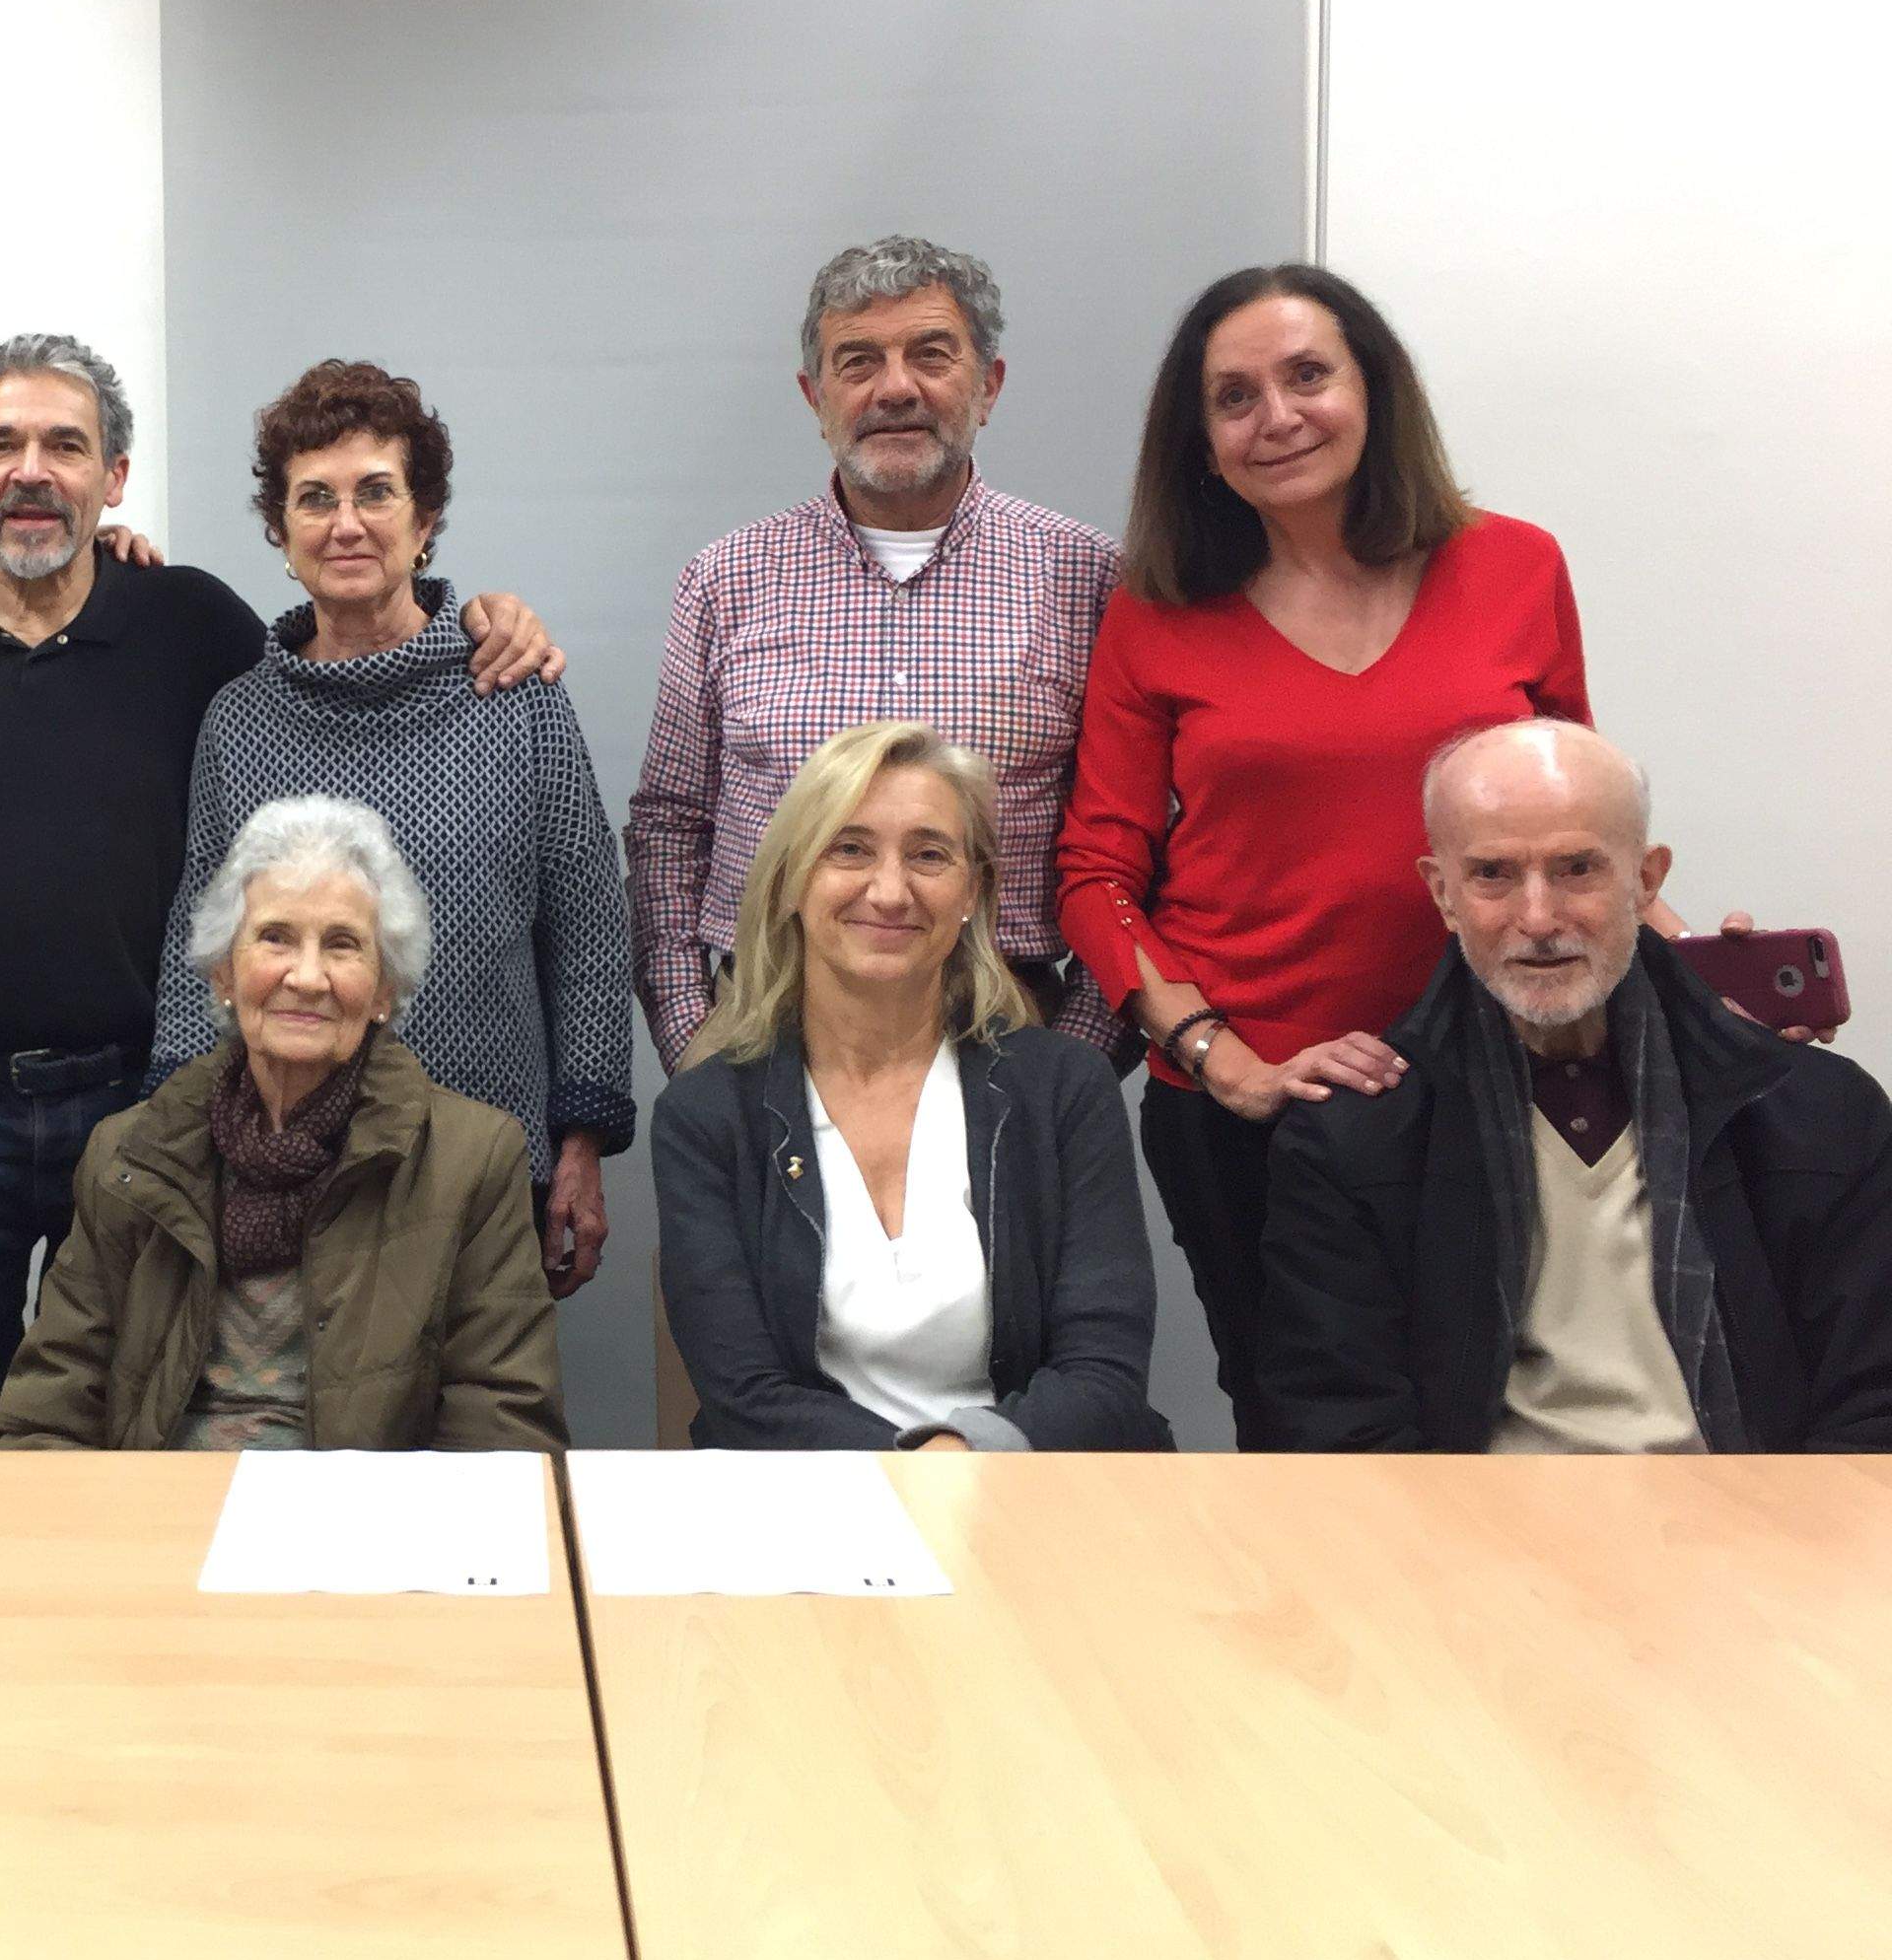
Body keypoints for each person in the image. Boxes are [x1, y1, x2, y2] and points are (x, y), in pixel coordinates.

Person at [0, 332, 563, 1448]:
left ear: (113, 478)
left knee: (180, 1405)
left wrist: (482, 615)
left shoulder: (187, 626)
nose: (32, 470)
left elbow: (337, 664)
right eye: (2, 445)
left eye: (65, 446)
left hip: (129, 1093)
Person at [1057, 263, 1600, 1441]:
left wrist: (1697, 980)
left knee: (1518, 1408)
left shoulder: (1516, 567)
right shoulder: (1157, 610)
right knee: (1308, 1435)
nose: (1279, 417)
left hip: (1493, 1076)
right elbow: (1097, 875)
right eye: (1236, 397)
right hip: (1257, 1113)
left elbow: (1574, 830)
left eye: (1309, 376)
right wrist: (1217, 1057)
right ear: (1201, 444)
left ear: (1375, 391)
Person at [1258, 722, 1892, 1453]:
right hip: (1474, 1543)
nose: (1537, 919)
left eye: (1577, 868)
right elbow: (1339, 1427)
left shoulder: (1817, 1114)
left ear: (1647, 880)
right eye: (1493, 873)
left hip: (1754, 1534)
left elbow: (1875, 1406)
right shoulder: (1353, 1135)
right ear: (1442, 893)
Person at [151, 360, 632, 1299]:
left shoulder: (514, 693)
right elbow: (192, 948)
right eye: (314, 499)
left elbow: (589, 929)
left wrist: (582, 1140)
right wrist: (175, 1132)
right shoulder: (238, 720)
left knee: (481, 1430)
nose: (347, 524)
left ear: (425, 520)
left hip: (489, 1164)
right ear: (280, 534)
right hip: (282, 1167)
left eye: (377, 493)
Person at [627, 236, 1124, 1074]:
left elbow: (1133, 845)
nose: (896, 388)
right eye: (858, 362)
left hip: (1007, 1030)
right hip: (765, 1034)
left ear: (989, 385)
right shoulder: (726, 579)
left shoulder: (1085, 577)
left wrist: (1072, 1065)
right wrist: (694, 1044)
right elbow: (670, 827)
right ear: (815, 397)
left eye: (931, 356)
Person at [0, 796, 565, 1450]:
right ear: (222, 975)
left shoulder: (473, 1159)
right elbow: (47, 1415)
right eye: (275, 937)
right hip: (156, 1527)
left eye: (344, 945)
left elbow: (501, 1434)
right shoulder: (129, 1154)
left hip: (359, 1537)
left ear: (384, 991)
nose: (308, 975)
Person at [655, 724, 1164, 1451]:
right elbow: (744, 1395)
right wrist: (917, 1471)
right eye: (850, 849)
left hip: (1038, 1496)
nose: (890, 891)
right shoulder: (706, 1115)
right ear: (792, 880)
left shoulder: (1064, 1090)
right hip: (809, 1517)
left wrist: (967, 1459)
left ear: (972, 891)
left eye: (929, 855)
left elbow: (1104, 1374)